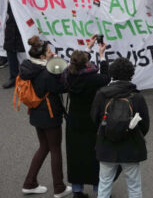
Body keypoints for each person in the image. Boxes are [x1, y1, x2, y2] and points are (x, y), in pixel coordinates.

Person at [19, 36, 71, 197]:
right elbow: (63, 88)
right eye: (49, 51)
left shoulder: (28, 67)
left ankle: (29, 183)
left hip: (36, 114)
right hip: (49, 115)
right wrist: (60, 69)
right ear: (42, 57)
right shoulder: (47, 73)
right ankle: (59, 188)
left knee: (44, 147)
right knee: (55, 150)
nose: (52, 53)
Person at [91, 57, 150, 198]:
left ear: (112, 73)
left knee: (104, 184)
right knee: (134, 186)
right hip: (131, 148)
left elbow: (94, 118)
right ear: (131, 73)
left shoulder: (101, 94)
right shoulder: (136, 97)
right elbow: (145, 125)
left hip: (106, 147)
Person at [64, 45, 110, 198]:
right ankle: (99, 190)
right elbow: (106, 77)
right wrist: (102, 56)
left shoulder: (68, 75)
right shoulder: (92, 78)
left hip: (74, 120)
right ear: (86, 63)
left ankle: (77, 190)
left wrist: (86, 49)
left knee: (75, 156)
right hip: (91, 120)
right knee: (95, 155)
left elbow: (78, 62)